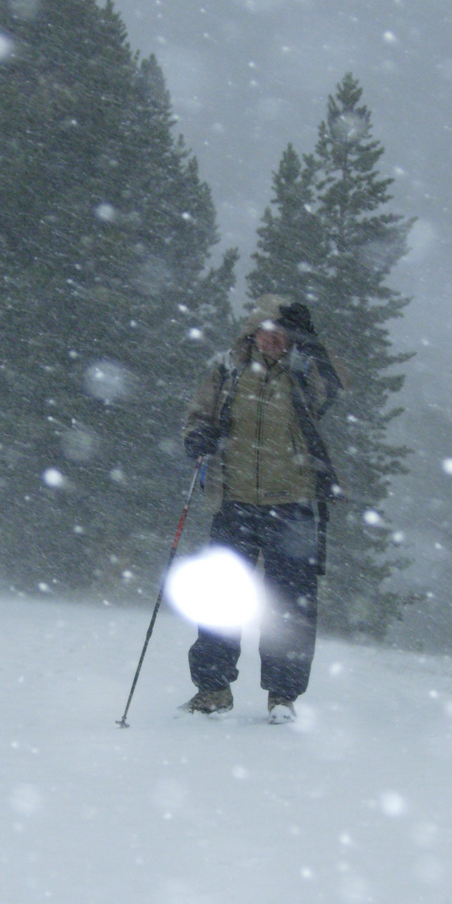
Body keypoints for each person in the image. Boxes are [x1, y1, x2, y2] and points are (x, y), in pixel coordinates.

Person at [178, 295, 344, 723]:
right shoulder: (227, 368)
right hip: (234, 502)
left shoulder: (304, 371)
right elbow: (197, 416)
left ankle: (282, 697)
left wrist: (314, 343)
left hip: (293, 506)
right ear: (252, 334)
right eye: (267, 333)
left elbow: (334, 388)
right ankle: (213, 689)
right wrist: (198, 437)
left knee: (290, 605)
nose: (274, 342)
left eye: (283, 335)